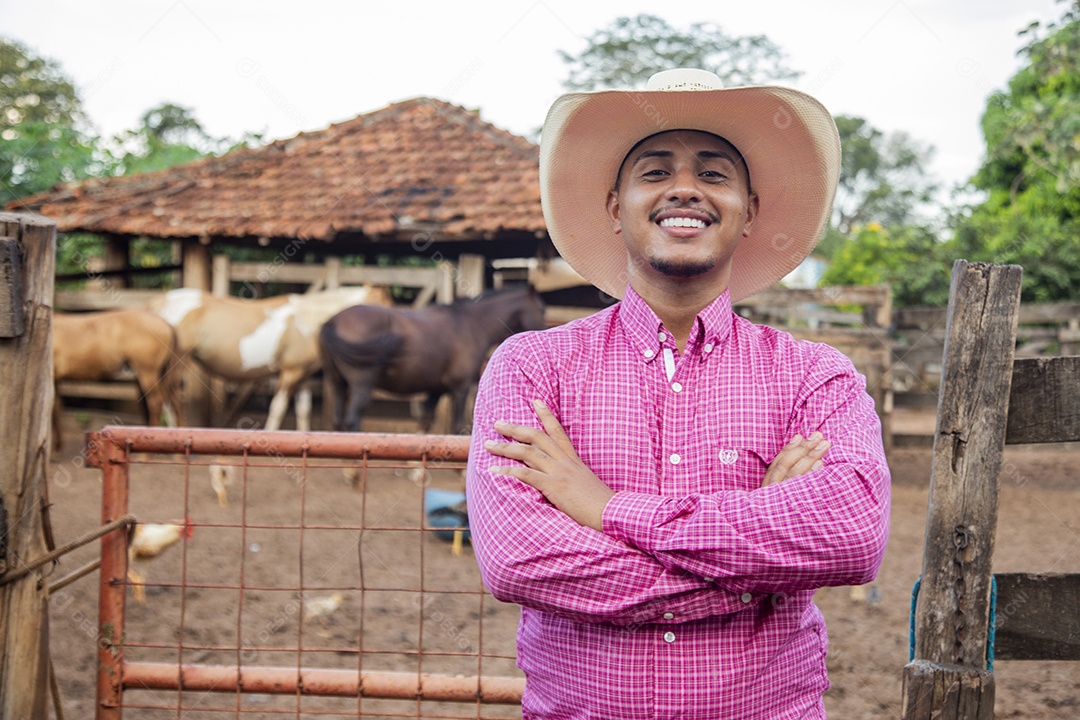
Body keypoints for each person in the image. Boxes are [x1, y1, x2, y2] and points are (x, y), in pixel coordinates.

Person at [466, 68, 891, 719]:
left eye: (715, 174)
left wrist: (607, 508)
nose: (685, 189)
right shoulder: (531, 367)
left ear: (749, 212)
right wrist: (757, 562)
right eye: (656, 171)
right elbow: (519, 560)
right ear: (616, 206)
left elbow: (853, 537)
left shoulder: (815, 375)